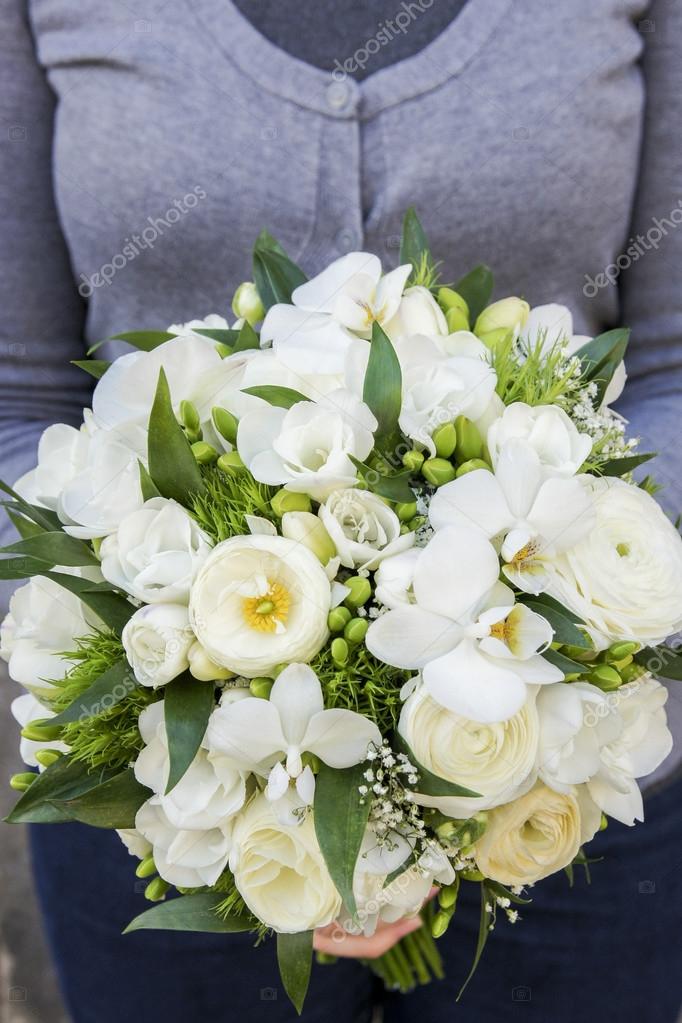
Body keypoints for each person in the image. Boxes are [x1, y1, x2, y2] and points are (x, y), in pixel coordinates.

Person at [1, 1, 681, 1019]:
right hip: (174, 796)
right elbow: (19, 398)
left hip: (568, 793)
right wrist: (216, 730)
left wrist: (485, 739)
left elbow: (670, 361)